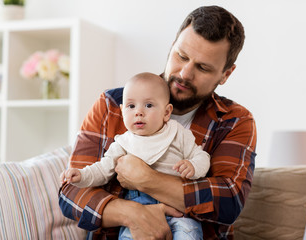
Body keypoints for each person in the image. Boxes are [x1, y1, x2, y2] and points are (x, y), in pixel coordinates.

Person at [59, 5, 257, 240]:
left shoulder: (235, 121)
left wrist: (147, 179)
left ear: (225, 74)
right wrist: (134, 215)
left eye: (203, 67)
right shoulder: (113, 104)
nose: (184, 73)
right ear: (172, 44)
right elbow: (71, 194)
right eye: (181, 56)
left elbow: (228, 202)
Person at [60, 72, 210, 239]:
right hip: (138, 209)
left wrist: (194, 166)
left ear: (167, 112)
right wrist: (81, 175)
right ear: (123, 111)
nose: (139, 112)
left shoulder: (178, 134)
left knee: (189, 234)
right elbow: (102, 170)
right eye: (131, 106)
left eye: (149, 105)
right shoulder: (123, 143)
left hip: (179, 213)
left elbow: (202, 157)